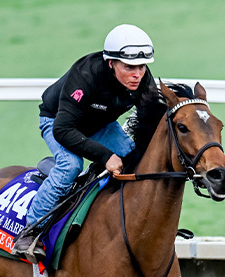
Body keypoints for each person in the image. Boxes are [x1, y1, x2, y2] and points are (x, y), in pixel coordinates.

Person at [12, 24, 157, 262]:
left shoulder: (141, 79)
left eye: (142, 67)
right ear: (111, 63)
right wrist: (105, 156)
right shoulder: (85, 76)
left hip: (99, 124)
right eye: (129, 67)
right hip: (58, 122)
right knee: (70, 166)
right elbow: (62, 129)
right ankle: (30, 232)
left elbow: (150, 121)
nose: (137, 74)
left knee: (132, 157)